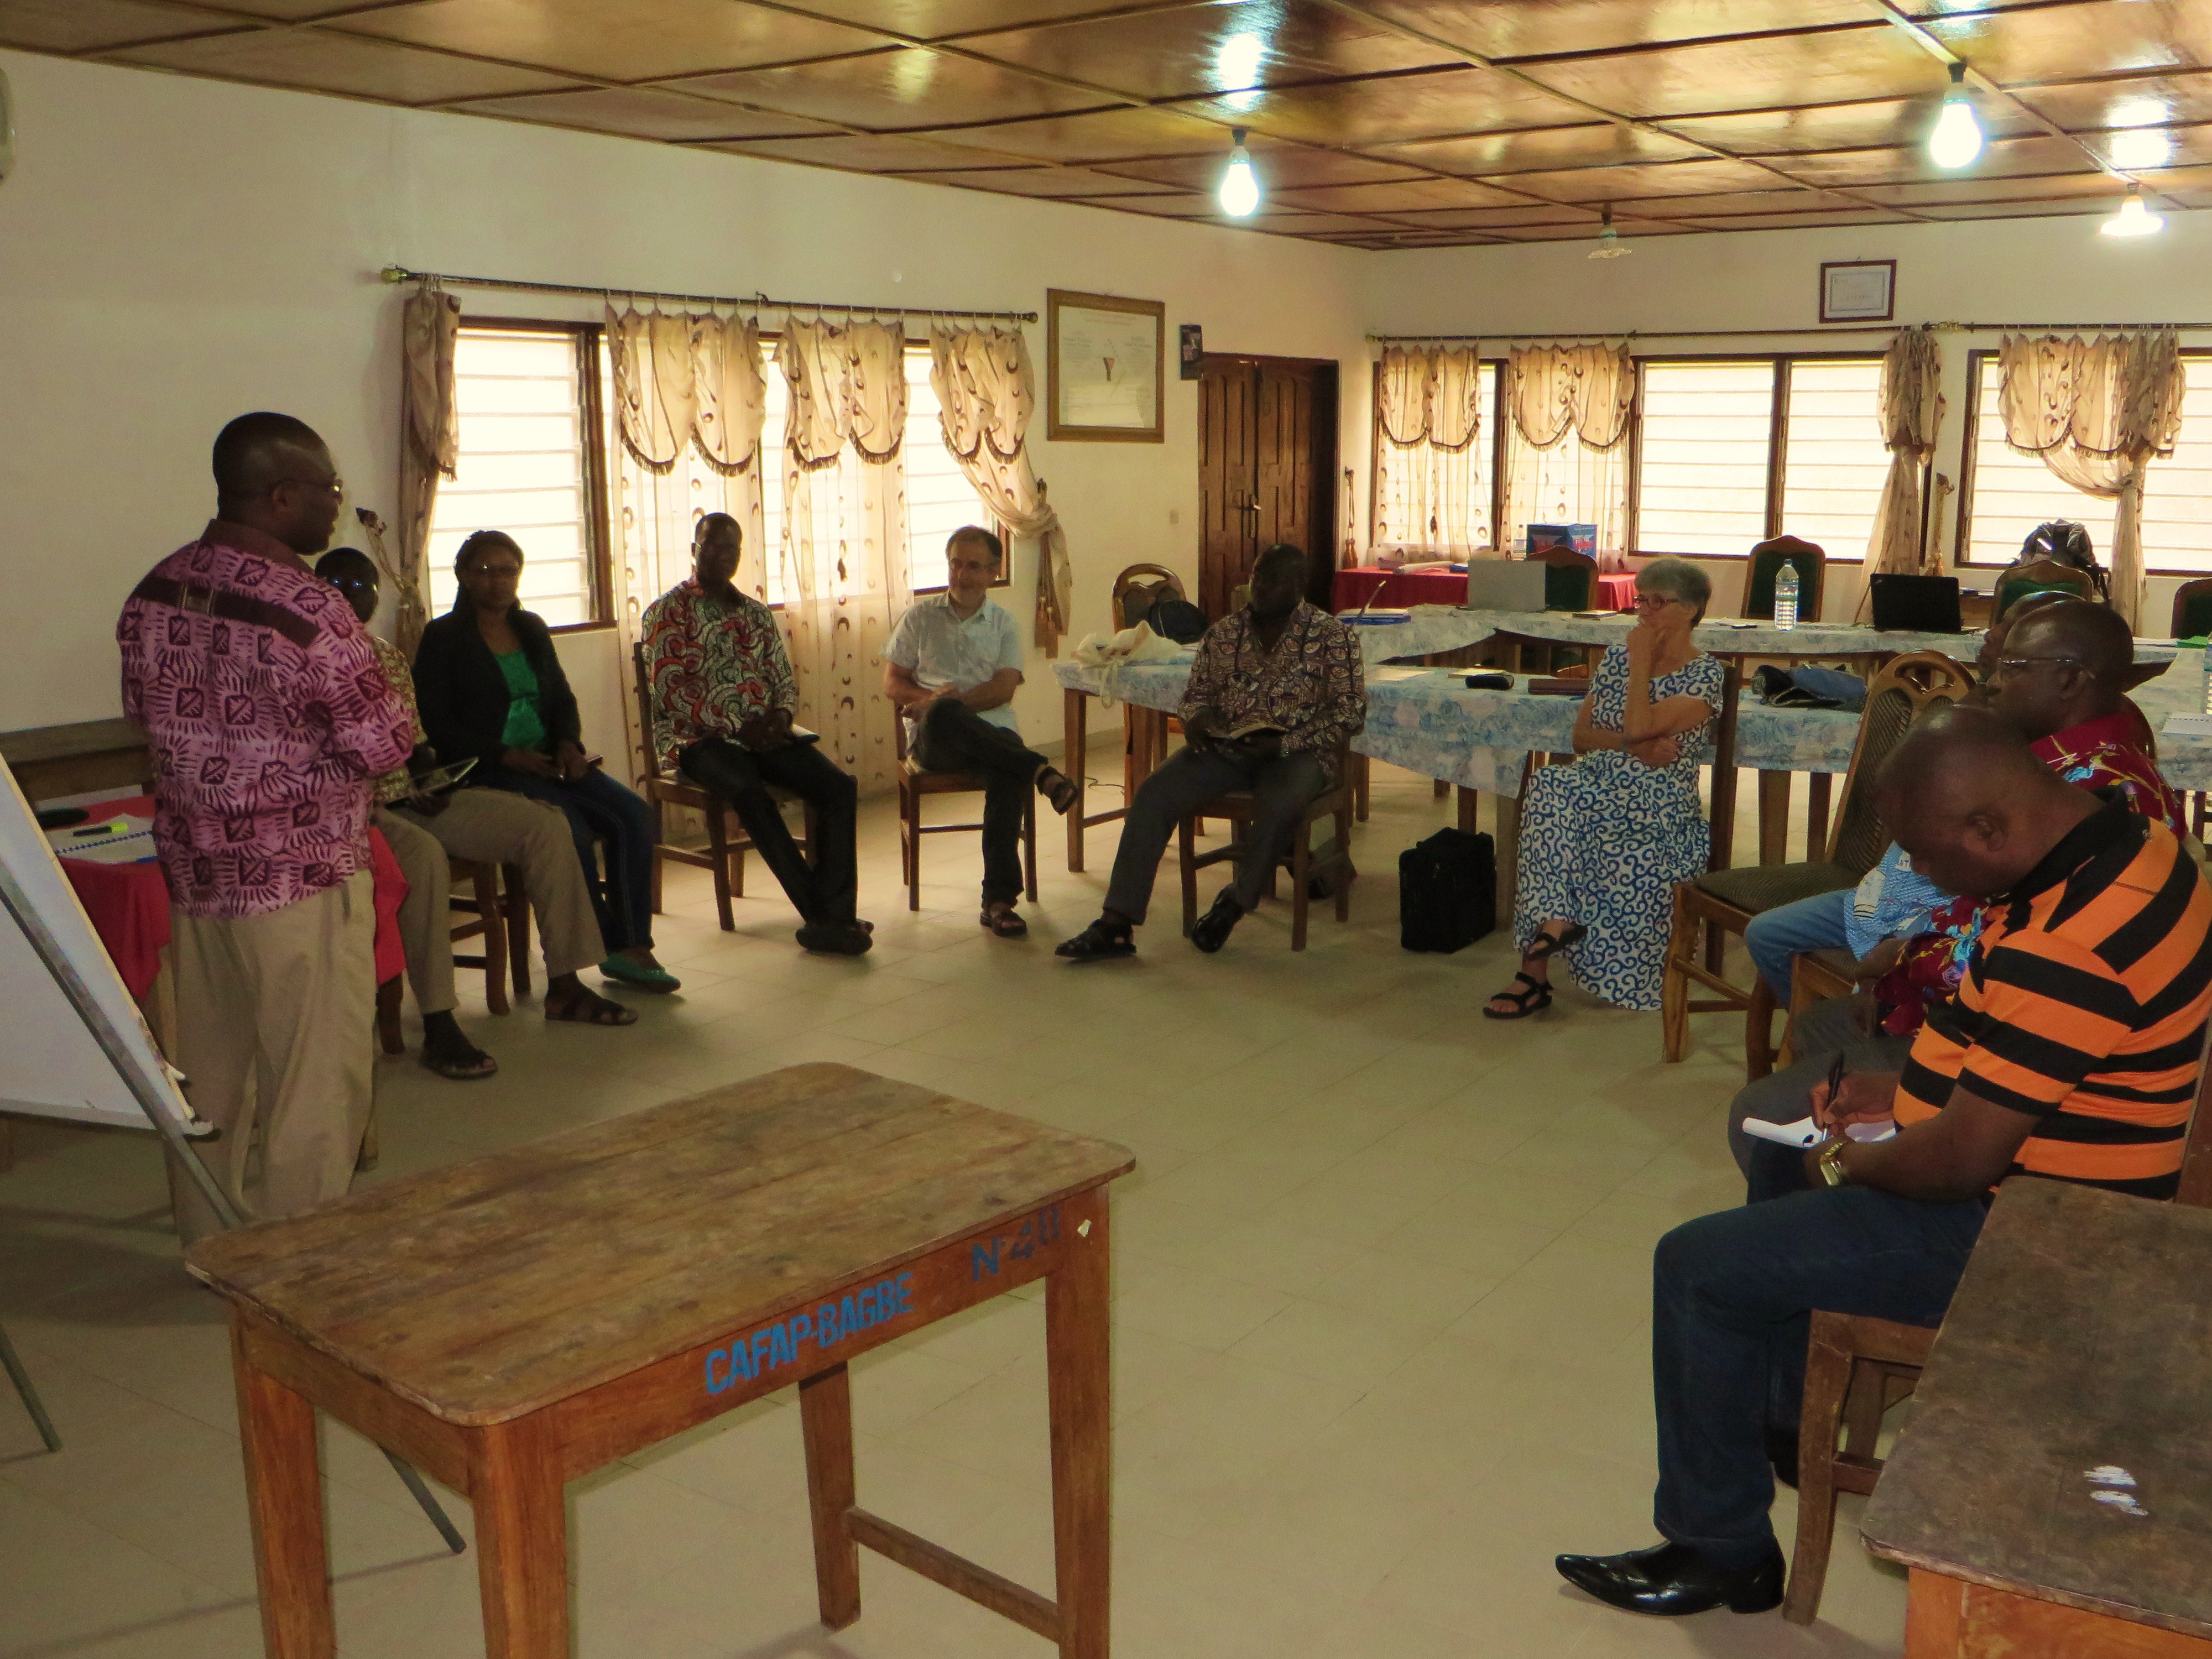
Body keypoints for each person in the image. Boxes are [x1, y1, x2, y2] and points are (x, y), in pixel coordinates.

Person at [1558, 707, 2212, 1619]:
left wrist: (1854, 1161)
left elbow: (1958, 1165)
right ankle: (1787, 1424)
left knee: (1697, 1264)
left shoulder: (2073, 944)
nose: (1924, 874)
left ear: (1989, 827)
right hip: (2043, 1176)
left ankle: (1719, 1550)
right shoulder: (2130, 846)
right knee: (1774, 1158)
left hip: (2036, 1235)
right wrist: (1901, 1092)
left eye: (1929, 854)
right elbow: (2030, 1057)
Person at [117, 413, 415, 1244]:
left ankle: (210, 1244)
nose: (336, 504)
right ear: (282, 497)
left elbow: (144, 715)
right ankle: (297, 1268)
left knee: (211, 1076)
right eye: (329, 488)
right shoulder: (309, 608)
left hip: (198, 880)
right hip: (299, 885)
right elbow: (385, 741)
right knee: (314, 1082)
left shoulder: (157, 590)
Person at [315, 550, 637, 1065]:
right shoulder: (299, 660)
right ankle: (439, 1021)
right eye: (336, 586)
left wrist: (428, 777)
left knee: (547, 825)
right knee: (424, 857)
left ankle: (565, 985)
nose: (350, 598)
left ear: (376, 597)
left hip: (415, 798)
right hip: (355, 811)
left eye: (361, 587)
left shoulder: (387, 658)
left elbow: (420, 742)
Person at [1055, 543, 1364, 959]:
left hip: (1298, 754)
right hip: (1229, 750)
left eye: (1272, 580)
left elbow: (1350, 713)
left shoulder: (1333, 636)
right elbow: (1195, 695)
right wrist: (1197, 718)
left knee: (1280, 803)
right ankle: (1116, 924)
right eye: (1257, 577)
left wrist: (1285, 742)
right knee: (1155, 793)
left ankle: (1235, 902)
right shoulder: (1224, 634)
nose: (1260, 587)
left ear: (1299, 585)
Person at [413, 531, 678, 993]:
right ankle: (606, 944)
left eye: (508, 571)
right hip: (488, 768)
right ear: (464, 576)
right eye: (485, 571)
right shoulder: (444, 636)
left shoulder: (532, 628)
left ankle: (633, 942)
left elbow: (561, 697)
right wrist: (505, 754)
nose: (498, 581)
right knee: (569, 830)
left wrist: (569, 745)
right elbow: (437, 723)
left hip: (550, 761)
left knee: (634, 815)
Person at [1483, 557, 1726, 1018]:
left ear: (1692, 610)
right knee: (1550, 784)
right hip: (1598, 781)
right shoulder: (1616, 658)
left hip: (1659, 796)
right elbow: (1582, 737)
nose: (1645, 610)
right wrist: (1633, 746)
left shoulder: (1705, 674)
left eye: (1659, 602)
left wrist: (1641, 665)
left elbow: (1638, 725)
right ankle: (1548, 939)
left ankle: (1535, 967)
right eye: (1642, 600)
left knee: (1559, 802)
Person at [642, 514, 870, 956]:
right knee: (750, 793)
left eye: (730, 548)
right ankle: (823, 915)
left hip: (764, 734)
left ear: (739, 555)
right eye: (711, 545)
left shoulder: (755, 613)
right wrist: (736, 727)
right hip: (698, 741)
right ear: (694, 550)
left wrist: (781, 717)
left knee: (838, 787)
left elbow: (782, 678)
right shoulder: (668, 612)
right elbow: (671, 693)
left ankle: (835, 914)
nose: (720, 555)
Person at [883, 526, 1079, 938]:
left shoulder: (1003, 624)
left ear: (992, 573)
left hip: (995, 736)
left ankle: (999, 902)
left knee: (1005, 768)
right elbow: (893, 682)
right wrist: (933, 703)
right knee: (948, 715)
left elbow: (1004, 688)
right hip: (934, 742)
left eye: (973, 566)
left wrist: (950, 703)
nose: (961, 574)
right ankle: (1041, 771)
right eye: (955, 564)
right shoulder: (919, 617)